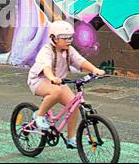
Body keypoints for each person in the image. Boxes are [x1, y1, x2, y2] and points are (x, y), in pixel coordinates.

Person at [27, 20, 106, 148]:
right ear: (53, 38)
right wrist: (52, 77)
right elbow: (46, 67)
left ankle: (71, 138)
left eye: (70, 37)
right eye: (64, 38)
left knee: (75, 106)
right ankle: (39, 115)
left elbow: (80, 61)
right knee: (56, 92)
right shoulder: (46, 51)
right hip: (39, 80)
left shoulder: (69, 50)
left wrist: (94, 70)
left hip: (58, 82)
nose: (68, 40)